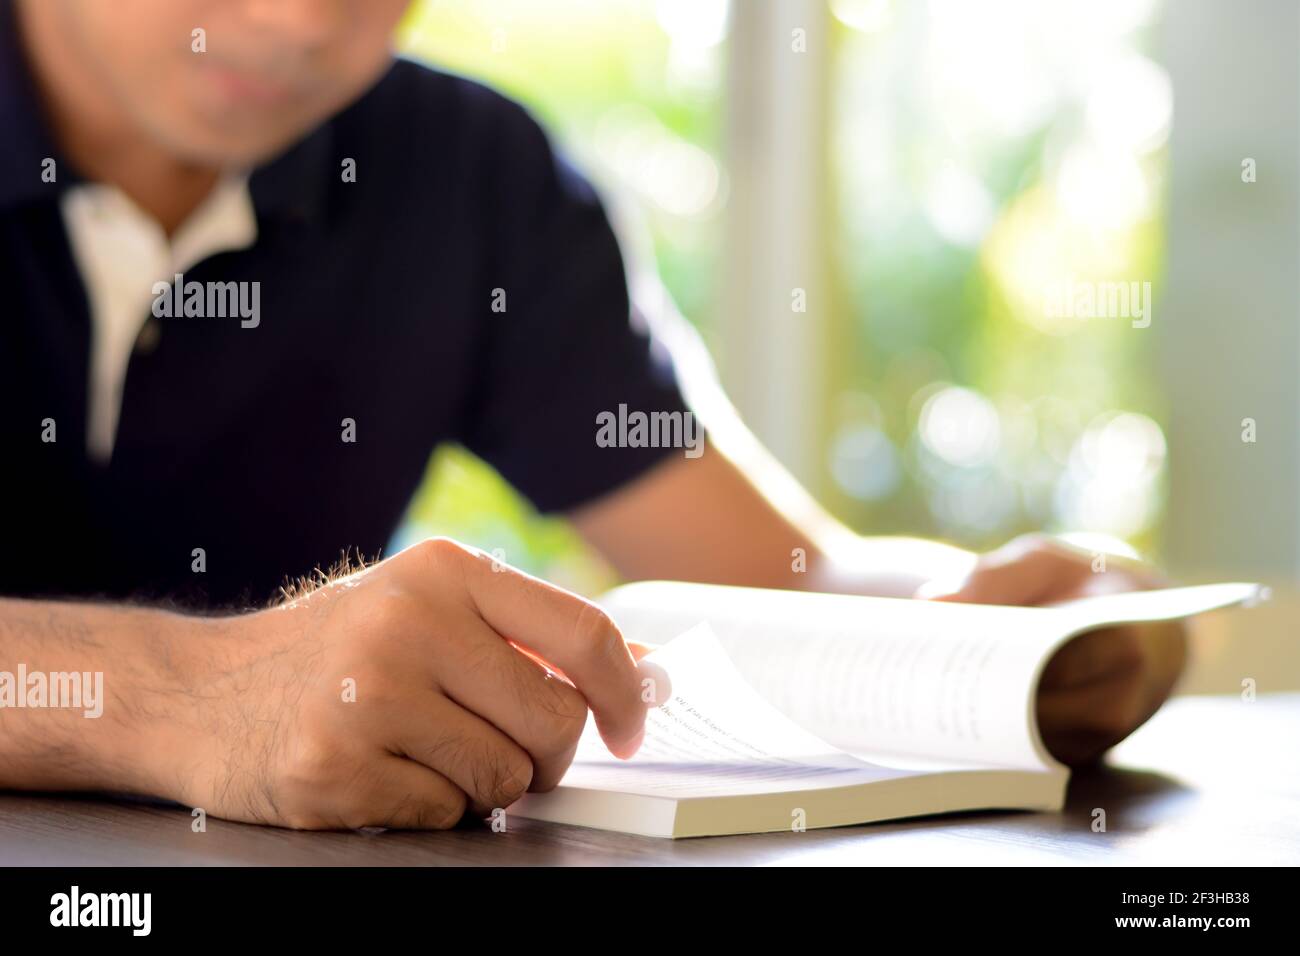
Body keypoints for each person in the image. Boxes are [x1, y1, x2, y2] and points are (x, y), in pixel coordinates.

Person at [0, 0, 1185, 831]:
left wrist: (1022, 632)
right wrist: (189, 698)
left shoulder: (464, 177)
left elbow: (777, 576)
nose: (305, 19)